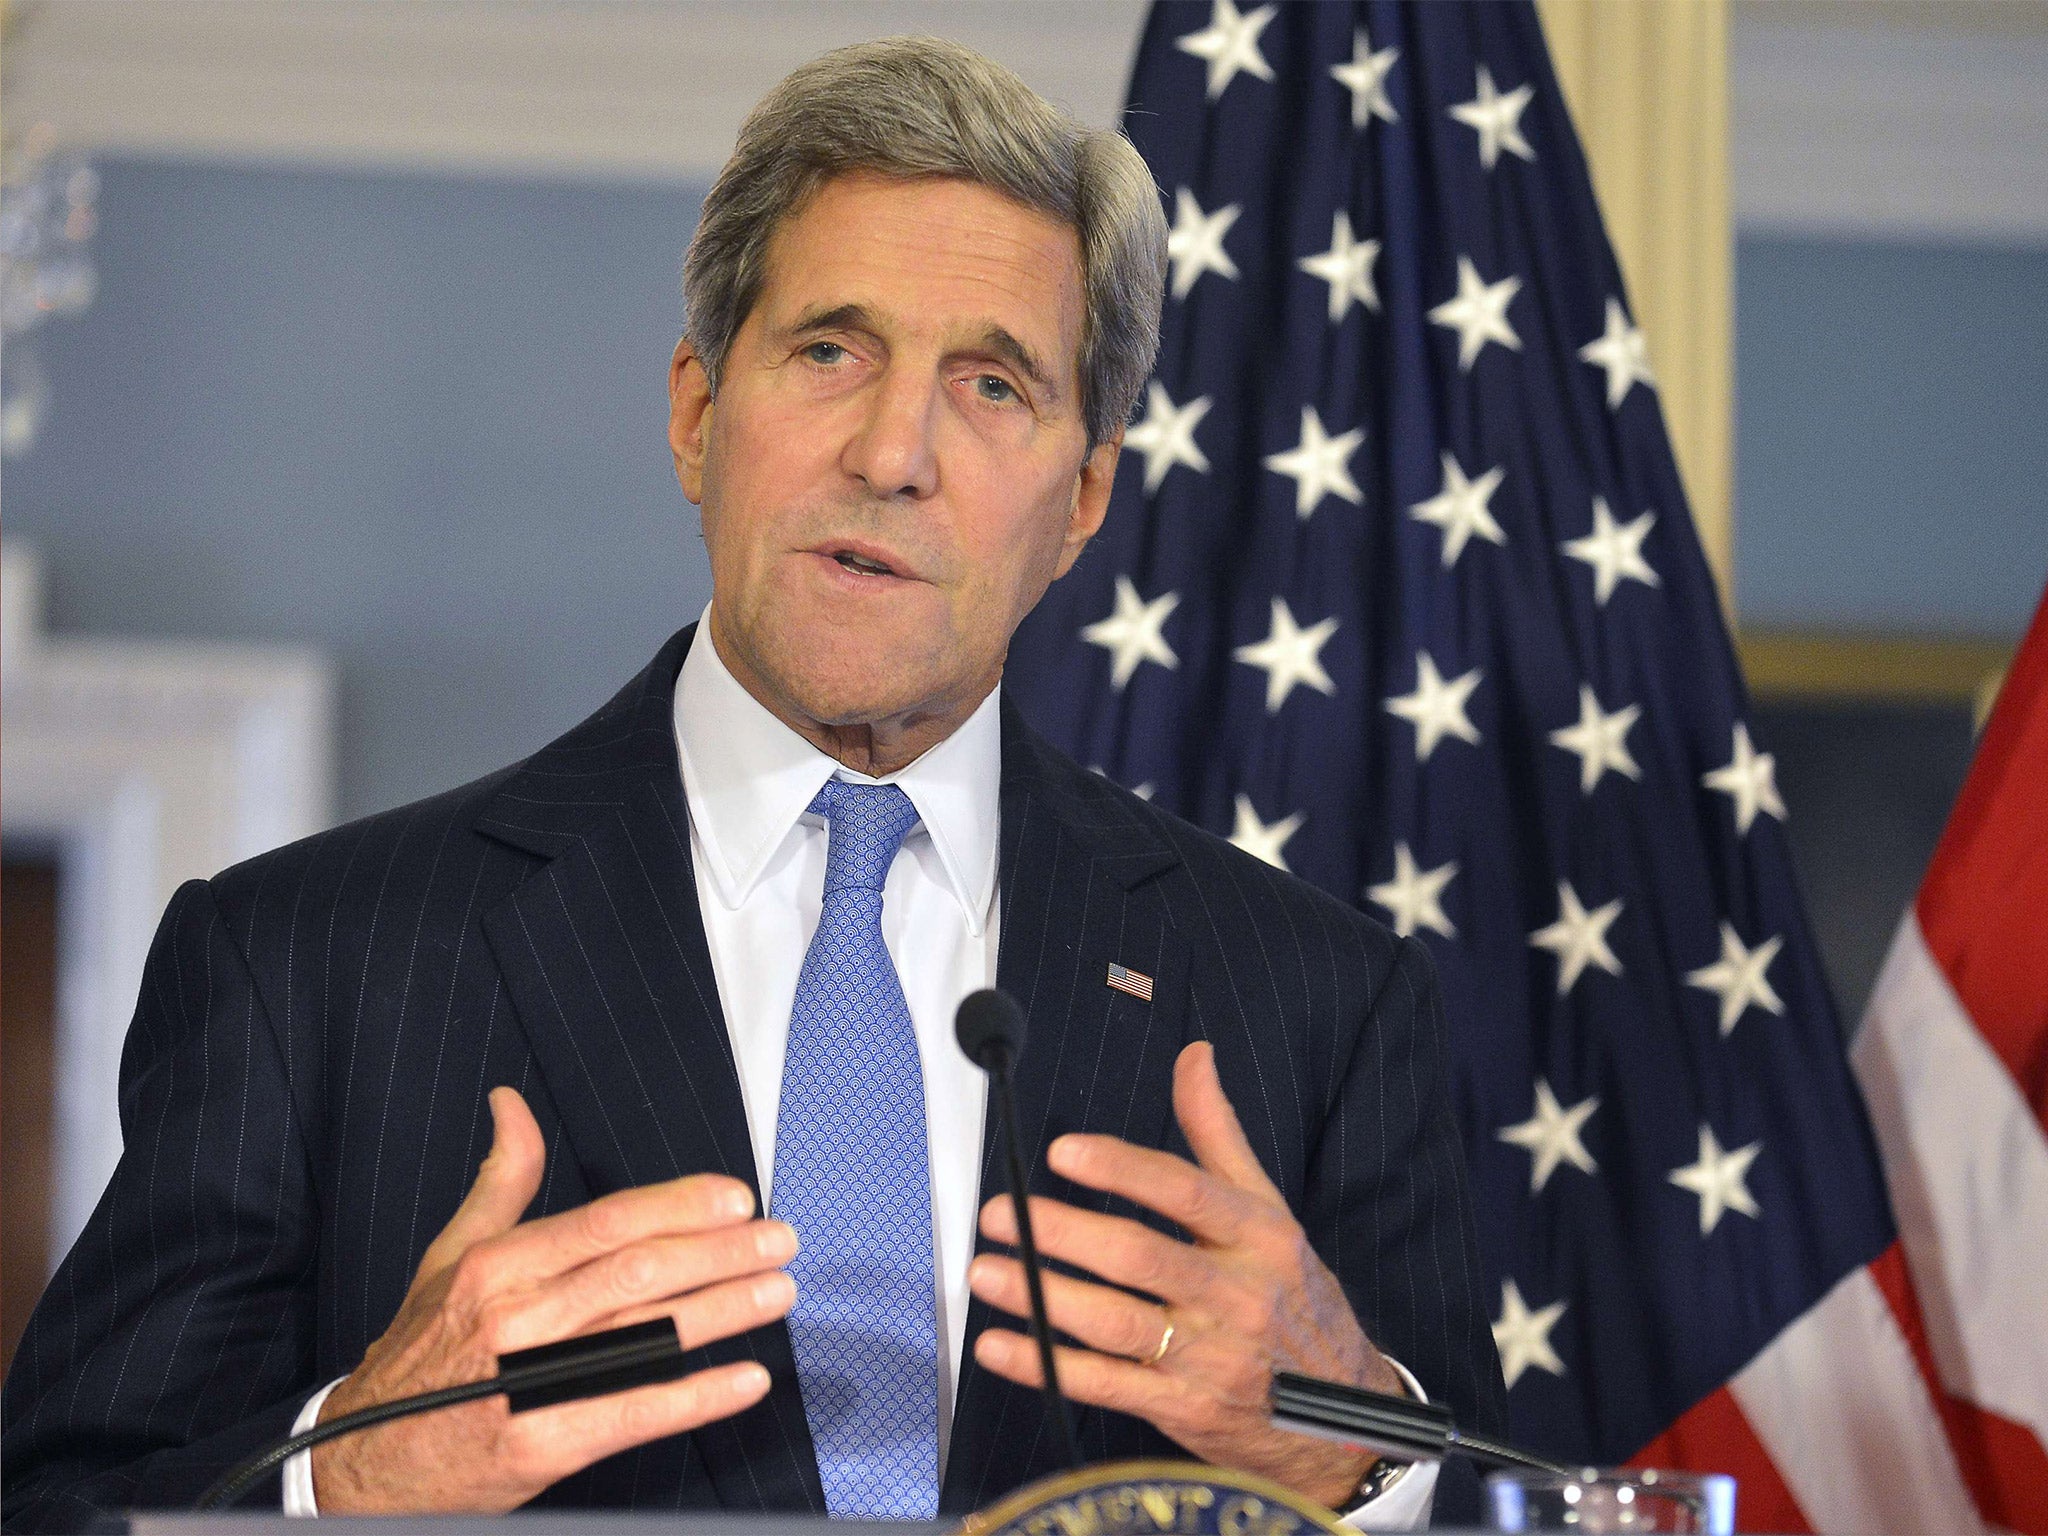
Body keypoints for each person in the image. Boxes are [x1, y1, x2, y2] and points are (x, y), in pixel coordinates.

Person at [0, 37, 1504, 1532]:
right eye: (831, 351)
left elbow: (1556, 1501)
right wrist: (351, 1473)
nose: (893, 451)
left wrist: (1346, 1446)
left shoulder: (1312, 1005)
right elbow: (59, 1505)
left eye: (992, 385)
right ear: (698, 415)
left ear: (1084, 499)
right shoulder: (312, 966)